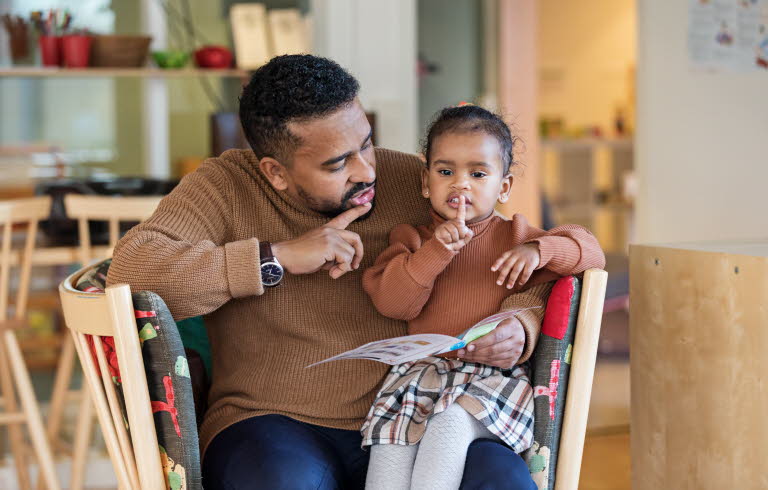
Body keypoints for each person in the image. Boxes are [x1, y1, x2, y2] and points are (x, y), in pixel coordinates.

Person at [106, 54, 581, 489]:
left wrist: (523, 321)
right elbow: (130, 270)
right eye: (338, 163)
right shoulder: (225, 186)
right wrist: (277, 257)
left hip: (414, 415)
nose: (366, 171)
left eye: (367, 144)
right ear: (276, 172)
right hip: (269, 422)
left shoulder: (413, 179)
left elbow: (503, 249)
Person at [360, 105, 605, 489]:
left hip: (492, 381)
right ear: (426, 183)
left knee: (449, 423)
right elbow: (393, 303)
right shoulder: (410, 239)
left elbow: (591, 251)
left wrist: (539, 250)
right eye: (445, 172)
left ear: (503, 187)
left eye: (477, 173)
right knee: (389, 449)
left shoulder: (515, 236)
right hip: (419, 375)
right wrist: (436, 252)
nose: (461, 185)